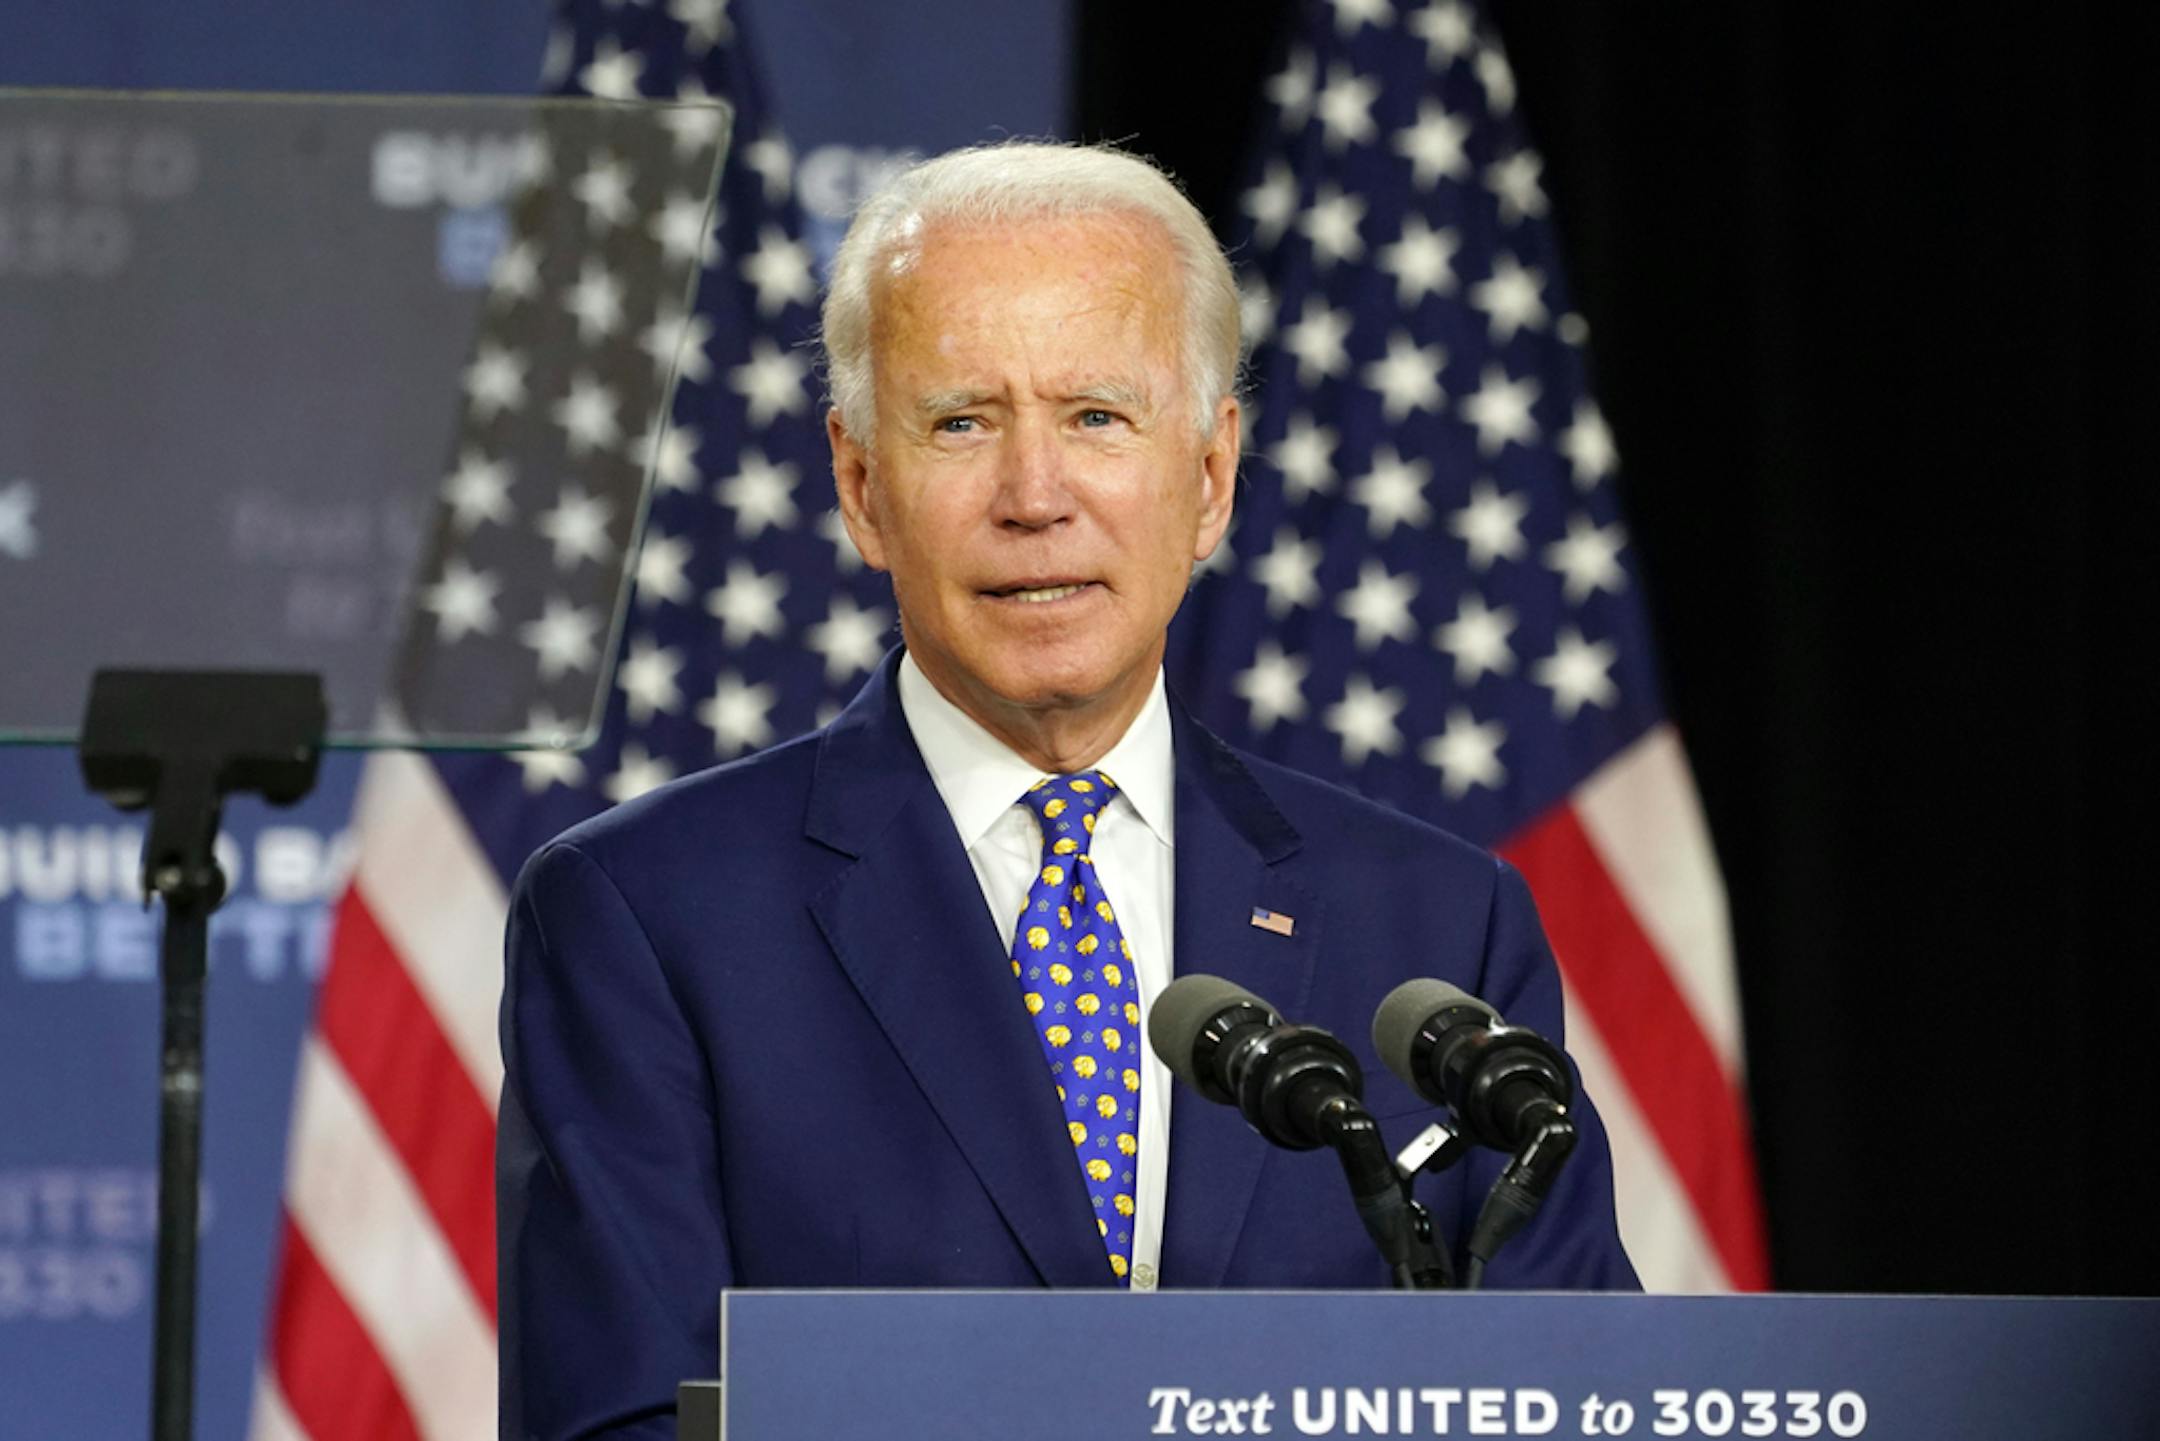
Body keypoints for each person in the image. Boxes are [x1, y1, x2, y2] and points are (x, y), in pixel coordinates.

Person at [496, 141, 1637, 1440]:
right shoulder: (649, 917)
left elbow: (1572, 1395)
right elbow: (619, 1418)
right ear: (863, 487)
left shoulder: (1440, 922)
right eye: (962, 422)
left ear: (1208, 478)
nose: (1035, 496)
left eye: (1098, 415)